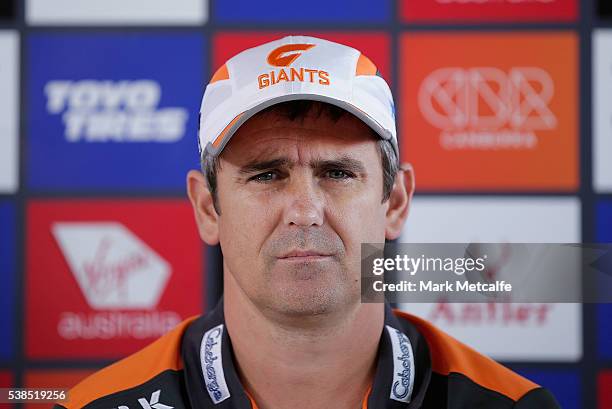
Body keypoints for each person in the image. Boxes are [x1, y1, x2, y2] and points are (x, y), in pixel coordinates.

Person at [55, 36, 560, 409]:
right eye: (266, 175)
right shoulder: (95, 406)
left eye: (337, 172)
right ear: (209, 208)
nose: (304, 210)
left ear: (395, 201)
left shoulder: (510, 404)